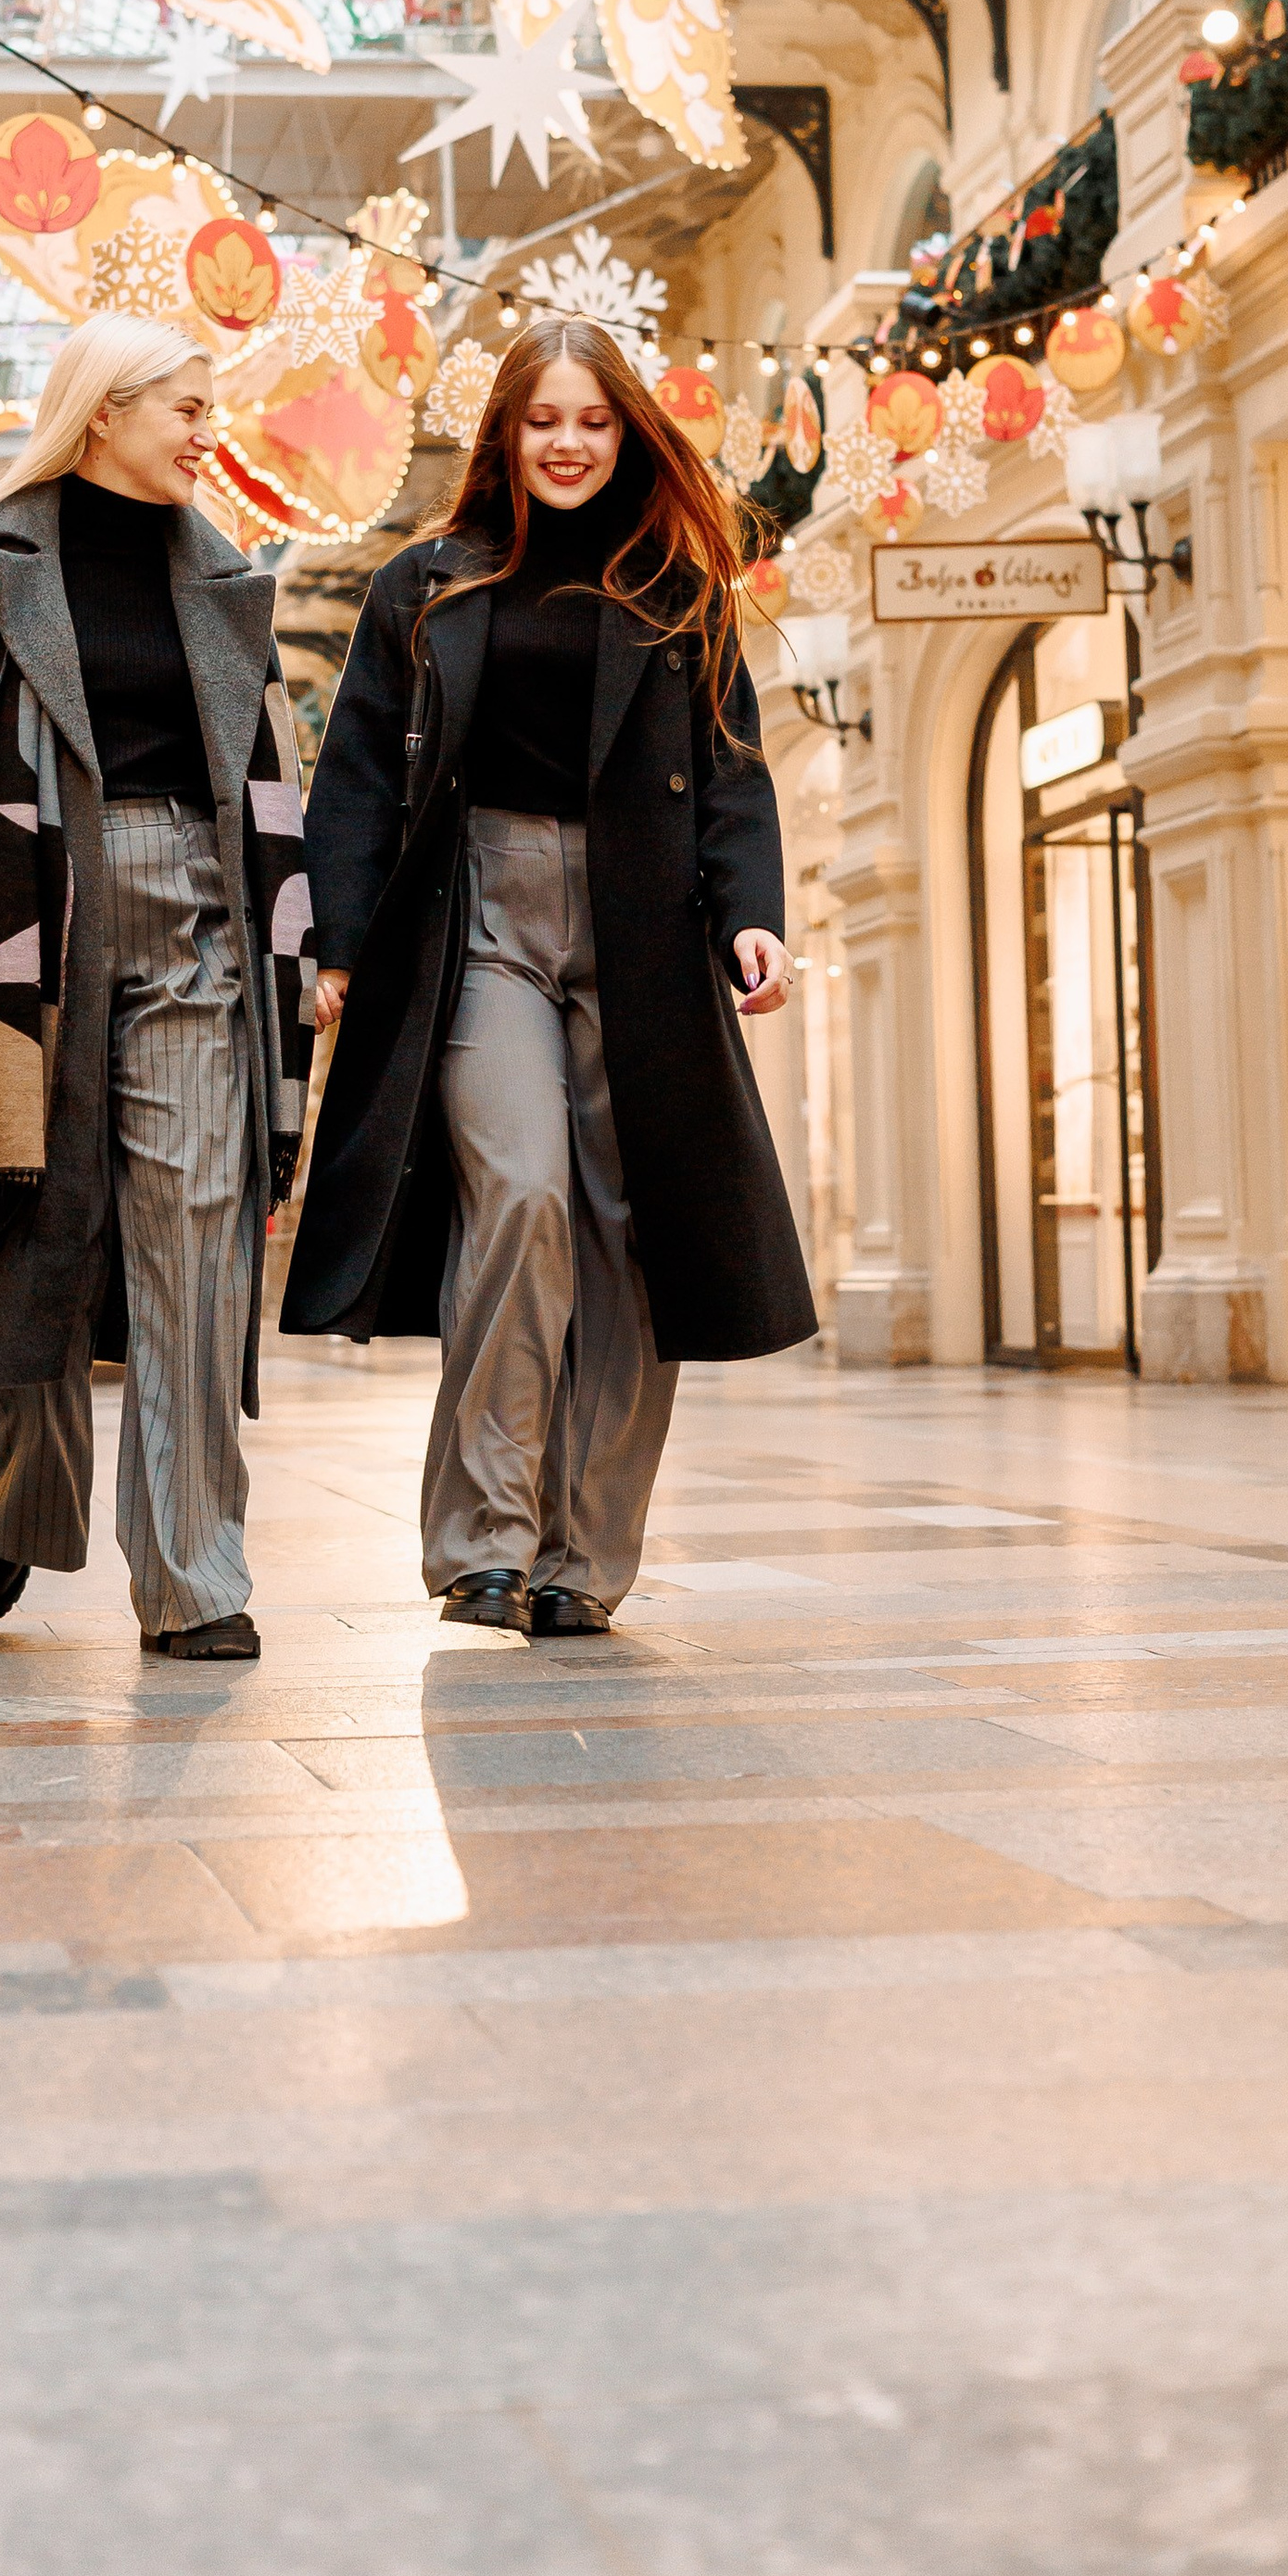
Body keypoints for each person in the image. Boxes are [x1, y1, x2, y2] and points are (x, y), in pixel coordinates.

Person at [283, 316, 814, 1635]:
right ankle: (484, 1541)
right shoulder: (423, 584)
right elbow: (355, 771)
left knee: (627, 1231)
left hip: (648, 924)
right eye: (544, 421)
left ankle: (585, 1556)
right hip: (478, 915)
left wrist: (752, 918)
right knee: (519, 1194)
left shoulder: (678, 590)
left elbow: (733, 773)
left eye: (593, 421)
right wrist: (337, 940)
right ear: (504, 435)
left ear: (627, 434)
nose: (569, 444)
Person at [0, 312, 315, 1660]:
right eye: (188, 408)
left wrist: (301, 934)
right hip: (18, 918)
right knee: (30, 1223)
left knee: (195, 1236)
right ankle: (16, 1502)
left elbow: (274, 774)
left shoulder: (225, 574)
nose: (211, 432)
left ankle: (196, 1579)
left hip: (198, 914)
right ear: (103, 410)